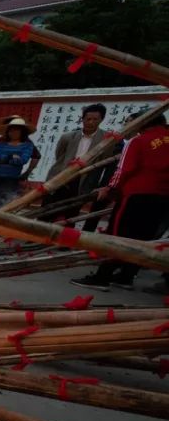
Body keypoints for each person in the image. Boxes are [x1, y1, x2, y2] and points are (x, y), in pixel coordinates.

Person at [70, 111, 169, 292]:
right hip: (162, 197)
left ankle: (102, 277)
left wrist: (109, 188)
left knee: (118, 235)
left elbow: (124, 169)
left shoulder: (139, 141)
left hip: (135, 195)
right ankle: (126, 276)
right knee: (143, 238)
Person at [42, 104, 110, 229]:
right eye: (88, 119)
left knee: (71, 213)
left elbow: (104, 161)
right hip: (62, 177)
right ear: (82, 119)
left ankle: (64, 241)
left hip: (83, 180)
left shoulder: (106, 139)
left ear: (101, 120)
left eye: (95, 119)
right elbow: (60, 156)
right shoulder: (68, 137)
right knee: (48, 209)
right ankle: (37, 235)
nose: (91, 122)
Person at [0, 117, 41, 208]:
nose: (13, 132)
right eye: (11, 130)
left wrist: (27, 171)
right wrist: (13, 157)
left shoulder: (28, 144)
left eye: (16, 130)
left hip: (11, 179)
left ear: (22, 131)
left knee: (5, 205)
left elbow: (23, 160)